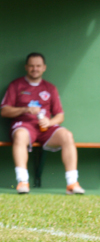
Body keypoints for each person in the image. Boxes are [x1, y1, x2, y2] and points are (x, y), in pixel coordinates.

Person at [1, 53, 84, 195]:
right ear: (26, 67)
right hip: (24, 126)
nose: (35, 69)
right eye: (32, 66)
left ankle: (72, 183)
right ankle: (23, 181)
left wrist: (49, 121)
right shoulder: (16, 85)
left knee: (67, 135)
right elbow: (4, 110)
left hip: (45, 128)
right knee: (20, 135)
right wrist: (25, 109)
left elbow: (60, 115)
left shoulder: (50, 88)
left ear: (44, 68)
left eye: (38, 66)